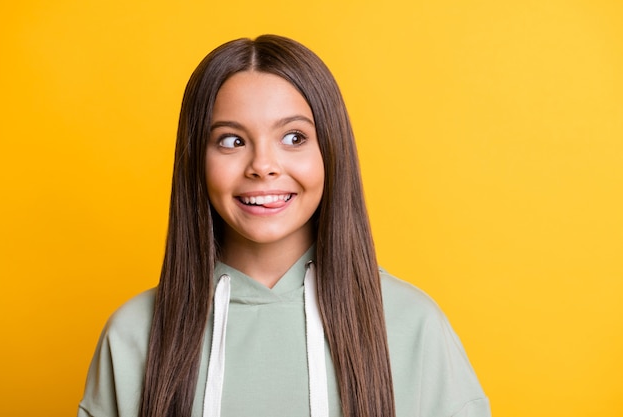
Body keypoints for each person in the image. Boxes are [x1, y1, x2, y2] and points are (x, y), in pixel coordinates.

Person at [78, 34, 491, 417]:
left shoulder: (411, 325)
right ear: (196, 161)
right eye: (231, 140)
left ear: (331, 150)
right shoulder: (132, 336)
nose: (263, 167)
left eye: (293, 137)